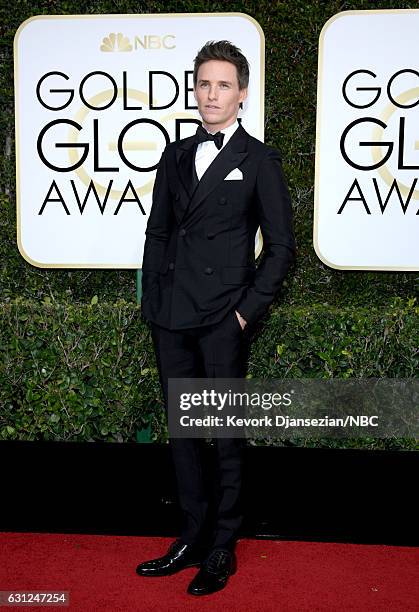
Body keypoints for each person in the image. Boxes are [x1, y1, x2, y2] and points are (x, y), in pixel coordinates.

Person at [136, 40, 296, 595]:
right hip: (172, 316)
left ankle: (222, 546)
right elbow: (157, 233)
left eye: (223, 84)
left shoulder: (259, 160)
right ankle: (191, 534)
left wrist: (244, 316)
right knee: (183, 433)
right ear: (194, 89)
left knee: (225, 435)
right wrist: (152, 302)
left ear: (242, 94)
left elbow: (281, 249)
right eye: (204, 83)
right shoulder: (175, 154)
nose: (212, 93)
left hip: (222, 319)